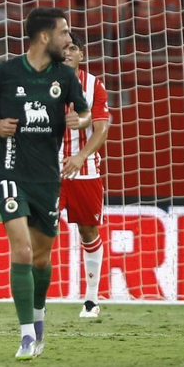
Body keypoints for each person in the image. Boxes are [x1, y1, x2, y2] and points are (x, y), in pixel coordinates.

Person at [0, 8, 91, 359]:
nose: (69, 40)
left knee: (40, 258)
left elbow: (85, 112)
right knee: (20, 251)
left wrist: (78, 120)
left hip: (47, 177)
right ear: (45, 37)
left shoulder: (65, 77)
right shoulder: (6, 71)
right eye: (64, 33)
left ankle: (37, 318)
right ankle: (25, 336)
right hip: (9, 171)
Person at [59, 38, 112, 318]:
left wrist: (80, 157)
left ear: (81, 53)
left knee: (88, 231)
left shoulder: (94, 85)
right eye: (63, 48)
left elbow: (102, 129)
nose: (67, 53)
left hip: (85, 168)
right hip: (48, 170)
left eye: (72, 48)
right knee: (39, 232)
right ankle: (35, 302)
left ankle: (91, 300)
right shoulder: (42, 81)